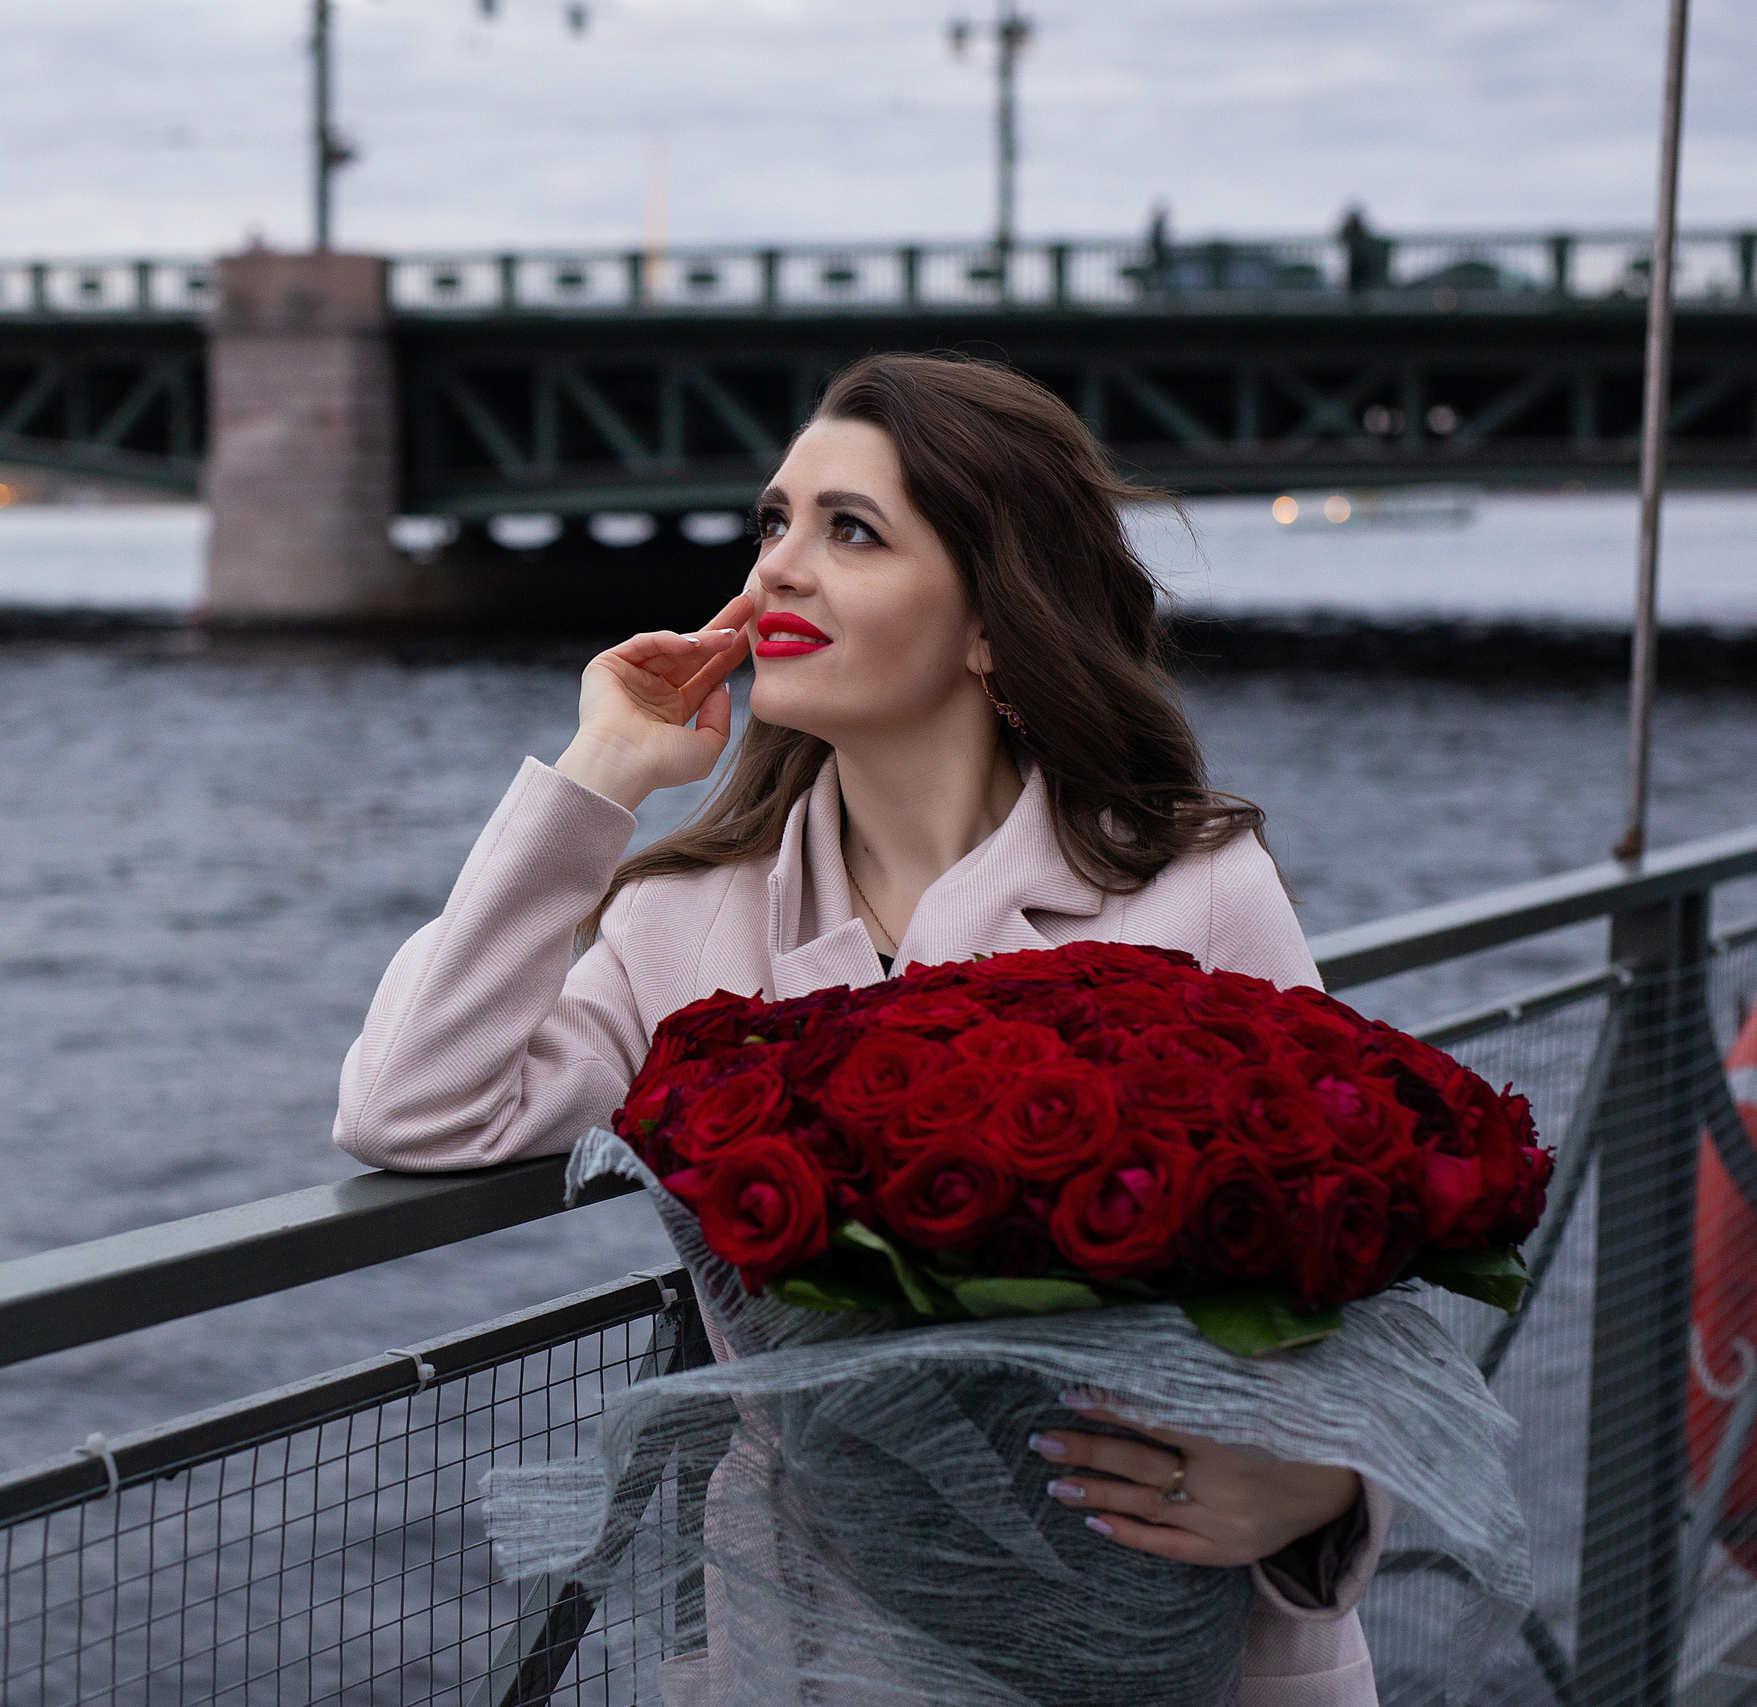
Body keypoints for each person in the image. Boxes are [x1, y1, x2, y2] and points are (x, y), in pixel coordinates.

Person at [335, 352, 1385, 1703]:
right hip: (822, 1654)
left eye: (850, 531)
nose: (777, 566)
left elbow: (1348, 1284)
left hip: (1164, 1643)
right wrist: (600, 778)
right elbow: (412, 1107)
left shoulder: (1192, 889)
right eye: (776, 521)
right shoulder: (689, 925)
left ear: (991, 624)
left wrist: (1309, 1493)